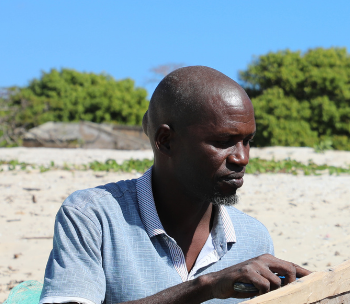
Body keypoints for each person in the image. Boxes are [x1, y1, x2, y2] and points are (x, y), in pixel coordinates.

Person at [40, 66, 311, 304]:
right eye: (222, 141)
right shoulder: (93, 217)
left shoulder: (253, 238)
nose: (242, 158)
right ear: (166, 141)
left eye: (247, 140)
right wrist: (205, 287)